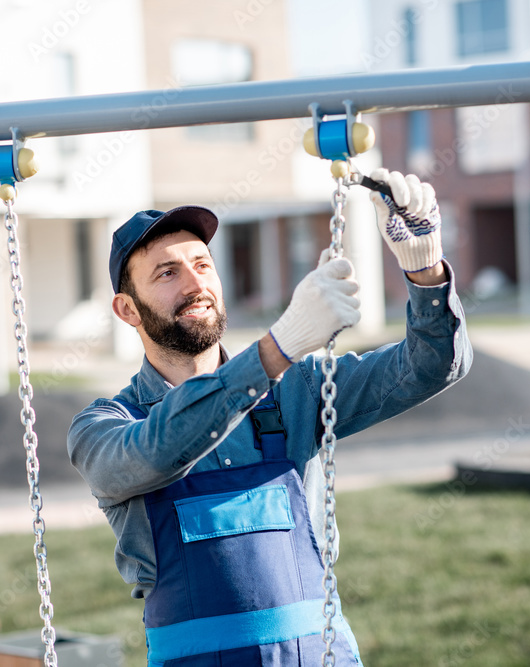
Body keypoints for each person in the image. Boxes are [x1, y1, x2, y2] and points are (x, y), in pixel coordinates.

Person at [67, 168, 472, 666]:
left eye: (202, 264)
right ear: (127, 310)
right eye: (167, 273)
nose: (196, 284)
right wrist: (277, 350)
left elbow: (428, 368)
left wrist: (424, 269)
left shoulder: (296, 391)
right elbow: (157, 450)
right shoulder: (104, 427)